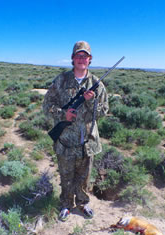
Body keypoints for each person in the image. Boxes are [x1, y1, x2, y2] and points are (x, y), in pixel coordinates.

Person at [43, 41, 108, 221]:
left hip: (87, 141)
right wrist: (64, 114)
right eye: (78, 56)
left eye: (85, 56)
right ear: (72, 58)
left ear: (90, 59)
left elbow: (103, 112)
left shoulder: (97, 84)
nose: (81, 59)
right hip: (65, 141)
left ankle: (82, 203)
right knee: (66, 176)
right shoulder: (61, 80)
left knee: (84, 177)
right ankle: (66, 205)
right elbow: (46, 106)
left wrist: (89, 101)